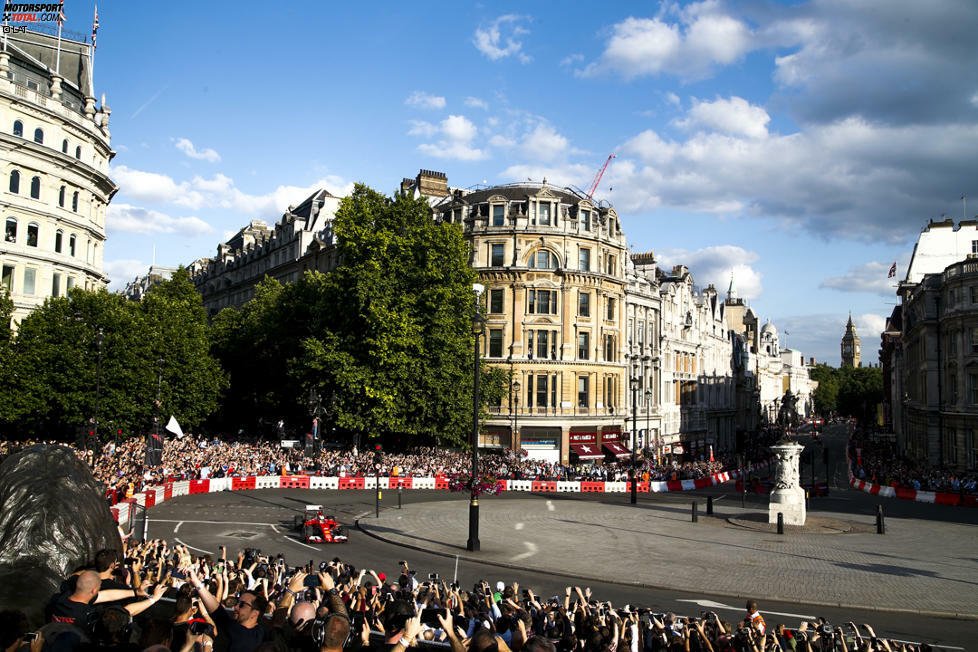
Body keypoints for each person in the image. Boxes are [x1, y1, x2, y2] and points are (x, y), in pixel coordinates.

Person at [189, 568, 265, 652]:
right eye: (238, 603)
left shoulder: (240, 635)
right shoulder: (260, 632)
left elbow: (218, 613)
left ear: (255, 613)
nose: (236, 607)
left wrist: (207, 644)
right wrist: (196, 583)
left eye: (242, 605)